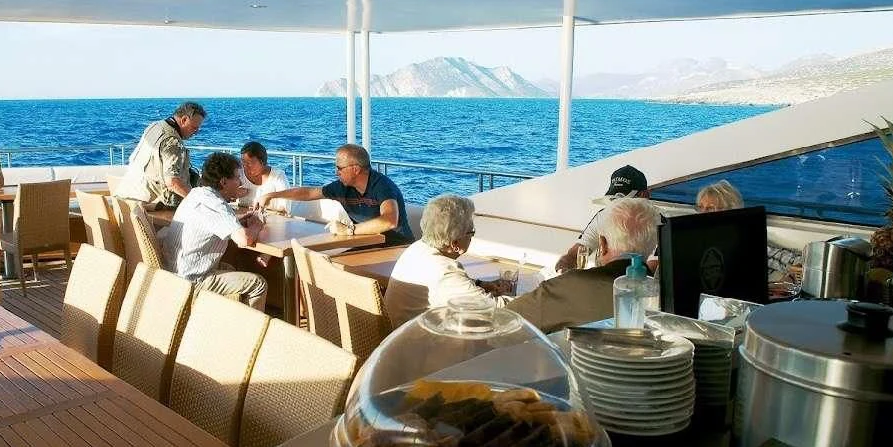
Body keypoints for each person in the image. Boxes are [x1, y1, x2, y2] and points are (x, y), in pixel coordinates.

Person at [508, 197, 660, 335]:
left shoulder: (569, 287)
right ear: (653, 245)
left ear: (603, 244)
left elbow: (505, 320)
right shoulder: (664, 294)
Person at [384, 194, 514, 328]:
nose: (471, 238)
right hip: (421, 343)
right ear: (454, 243)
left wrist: (481, 284)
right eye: (471, 232)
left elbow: (447, 286)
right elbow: (495, 310)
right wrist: (534, 298)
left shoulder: (417, 248)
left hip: (401, 334)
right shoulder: (445, 270)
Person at [163, 151, 269, 309]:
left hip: (171, 274)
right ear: (224, 182)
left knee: (231, 269)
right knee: (258, 284)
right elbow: (244, 240)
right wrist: (257, 225)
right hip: (192, 280)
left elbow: (210, 223)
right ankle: (250, 330)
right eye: (237, 177)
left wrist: (238, 221)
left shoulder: (195, 194)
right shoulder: (216, 204)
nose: (240, 182)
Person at [266, 143, 415, 246]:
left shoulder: (382, 186)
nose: (336, 172)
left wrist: (349, 231)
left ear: (356, 169)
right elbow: (309, 192)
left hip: (397, 247)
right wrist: (272, 195)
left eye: (340, 168)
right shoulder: (343, 187)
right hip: (367, 243)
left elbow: (389, 220)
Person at [556, 164, 654, 273]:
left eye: (624, 201)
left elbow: (652, 269)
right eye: (613, 201)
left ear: (644, 195)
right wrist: (564, 267)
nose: (617, 206)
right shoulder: (604, 216)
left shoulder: (660, 224)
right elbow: (577, 252)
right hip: (601, 281)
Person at [114, 101, 206, 207]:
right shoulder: (172, 141)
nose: (196, 132)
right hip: (145, 206)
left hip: (125, 199)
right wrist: (199, 202)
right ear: (184, 120)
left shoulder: (155, 126)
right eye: (194, 127)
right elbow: (172, 183)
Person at [238, 141, 290, 209]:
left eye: (249, 163)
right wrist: (233, 194)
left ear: (262, 162)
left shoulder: (278, 176)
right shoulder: (238, 174)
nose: (245, 166)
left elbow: (285, 208)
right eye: (243, 161)